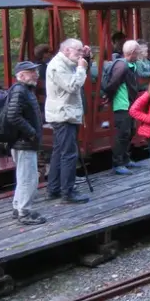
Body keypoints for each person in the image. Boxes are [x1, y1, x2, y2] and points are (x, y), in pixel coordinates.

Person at [45, 38, 89, 204]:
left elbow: (79, 71)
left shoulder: (65, 62)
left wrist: (85, 60)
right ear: (66, 50)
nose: (80, 55)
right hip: (63, 115)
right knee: (69, 154)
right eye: (77, 51)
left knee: (59, 152)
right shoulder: (58, 66)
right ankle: (68, 192)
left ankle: (54, 188)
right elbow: (72, 86)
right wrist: (81, 68)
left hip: (65, 113)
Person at [5, 61, 46, 225]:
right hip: (24, 142)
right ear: (21, 75)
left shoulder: (23, 90)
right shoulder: (20, 91)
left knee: (23, 176)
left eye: (35, 71)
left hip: (23, 142)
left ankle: (18, 207)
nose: (36, 74)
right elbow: (13, 116)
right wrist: (31, 133)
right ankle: (25, 212)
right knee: (29, 178)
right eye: (31, 72)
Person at [103, 40, 142, 175]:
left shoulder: (132, 64)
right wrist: (108, 96)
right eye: (137, 51)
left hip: (130, 104)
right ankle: (117, 164)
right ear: (132, 52)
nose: (139, 54)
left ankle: (125, 159)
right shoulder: (122, 66)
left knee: (131, 131)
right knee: (122, 134)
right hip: (122, 105)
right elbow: (112, 84)